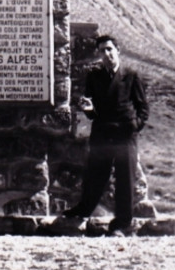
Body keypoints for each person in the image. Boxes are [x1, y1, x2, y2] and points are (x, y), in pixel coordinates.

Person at [63, 34, 149, 236]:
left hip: (125, 135)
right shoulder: (95, 77)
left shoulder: (131, 75)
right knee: (95, 175)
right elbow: (92, 114)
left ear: (117, 51)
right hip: (102, 132)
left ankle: (122, 223)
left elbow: (143, 107)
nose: (106, 54)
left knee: (125, 178)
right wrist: (88, 109)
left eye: (110, 49)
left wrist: (135, 126)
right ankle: (83, 211)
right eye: (102, 51)